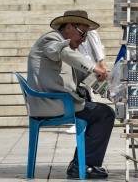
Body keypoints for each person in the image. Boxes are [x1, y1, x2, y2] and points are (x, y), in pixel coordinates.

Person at [26, 10, 113, 179]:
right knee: (104, 114)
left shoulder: (66, 49)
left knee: (102, 110)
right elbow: (61, 52)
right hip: (52, 103)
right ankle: (84, 165)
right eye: (82, 33)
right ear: (69, 27)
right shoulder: (51, 39)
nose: (83, 40)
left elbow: (85, 77)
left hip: (58, 101)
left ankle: (81, 163)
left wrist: (110, 91)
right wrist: (94, 67)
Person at [66, 29, 107, 134]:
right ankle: (86, 122)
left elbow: (97, 47)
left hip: (88, 64)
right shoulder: (76, 32)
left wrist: (101, 63)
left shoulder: (91, 31)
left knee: (87, 93)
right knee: (86, 93)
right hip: (80, 64)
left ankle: (85, 122)